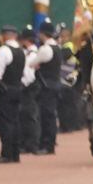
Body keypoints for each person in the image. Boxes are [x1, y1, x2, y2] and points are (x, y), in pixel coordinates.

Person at [0, 25, 25, 163]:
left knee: (4, 123)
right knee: (15, 121)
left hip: (4, 91)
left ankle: (6, 153)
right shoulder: (21, 51)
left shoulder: (3, 50)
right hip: (17, 90)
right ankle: (15, 153)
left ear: (4, 35)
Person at [31, 20, 61, 155]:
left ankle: (46, 144)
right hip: (54, 85)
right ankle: (50, 143)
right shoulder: (57, 48)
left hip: (46, 86)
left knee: (46, 116)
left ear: (43, 34)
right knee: (51, 115)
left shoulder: (45, 49)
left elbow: (32, 63)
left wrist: (36, 65)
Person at [17, 25, 41, 155]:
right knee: (27, 116)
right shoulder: (30, 53)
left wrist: (22, 85)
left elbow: (28, 74)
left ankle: (31, 143)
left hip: (29, 88)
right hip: (29, 88)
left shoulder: (31, 55)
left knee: (29, 116)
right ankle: (28, 143)